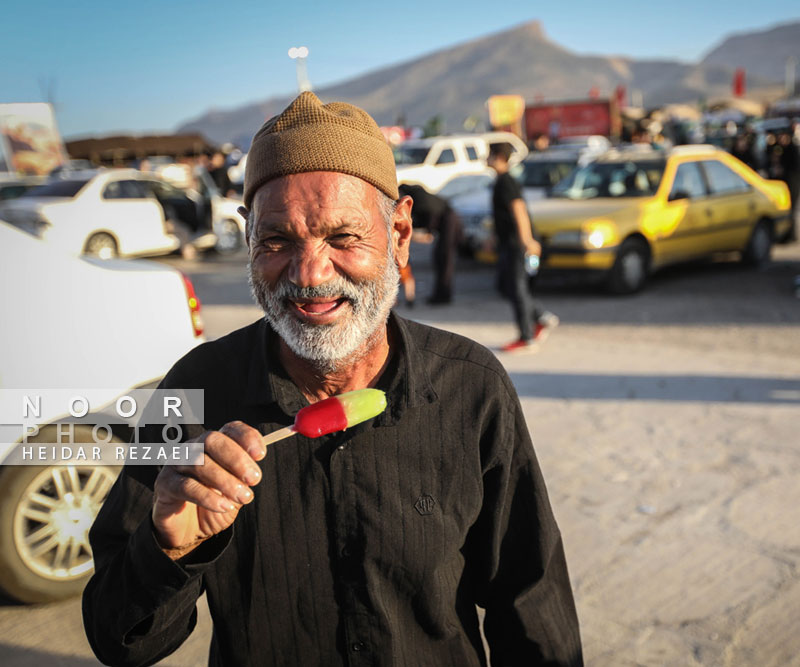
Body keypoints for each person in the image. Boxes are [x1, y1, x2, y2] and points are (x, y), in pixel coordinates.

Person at [82, 92, 583, 666]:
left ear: (397, 234)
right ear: (248, 238)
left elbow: (533, 608)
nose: (309, 274)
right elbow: (115, 639)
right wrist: (167, 549)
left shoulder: (473, 390)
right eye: (276, 241)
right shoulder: (191, 396)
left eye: (343, 238)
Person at [487, 142, 558, 353]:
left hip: (517, 243)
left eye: (489, 155)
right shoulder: (500, 182)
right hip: (508, 242)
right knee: (506, 285)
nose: (486, 159)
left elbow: (519, 210)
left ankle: (527, 337)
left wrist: (527, 240)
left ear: (499, 157)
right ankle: (540, 316)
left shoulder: (507, 182)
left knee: (517, 287)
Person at [398, 183, 463, 304]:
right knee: (440, 258)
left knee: (445, 259)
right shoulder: (419, 198)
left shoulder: (422, 201)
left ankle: (443, 295)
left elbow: (428, 219)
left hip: (449, 223)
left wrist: (425, 230)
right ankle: (441, 294)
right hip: (448, 223)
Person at [777, 126, 800, 243]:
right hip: (787, 184)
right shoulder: (783, 149)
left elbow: (796, 168)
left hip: (793, 184)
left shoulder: (793, 149)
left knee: (791, 211)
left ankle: (792, 235)